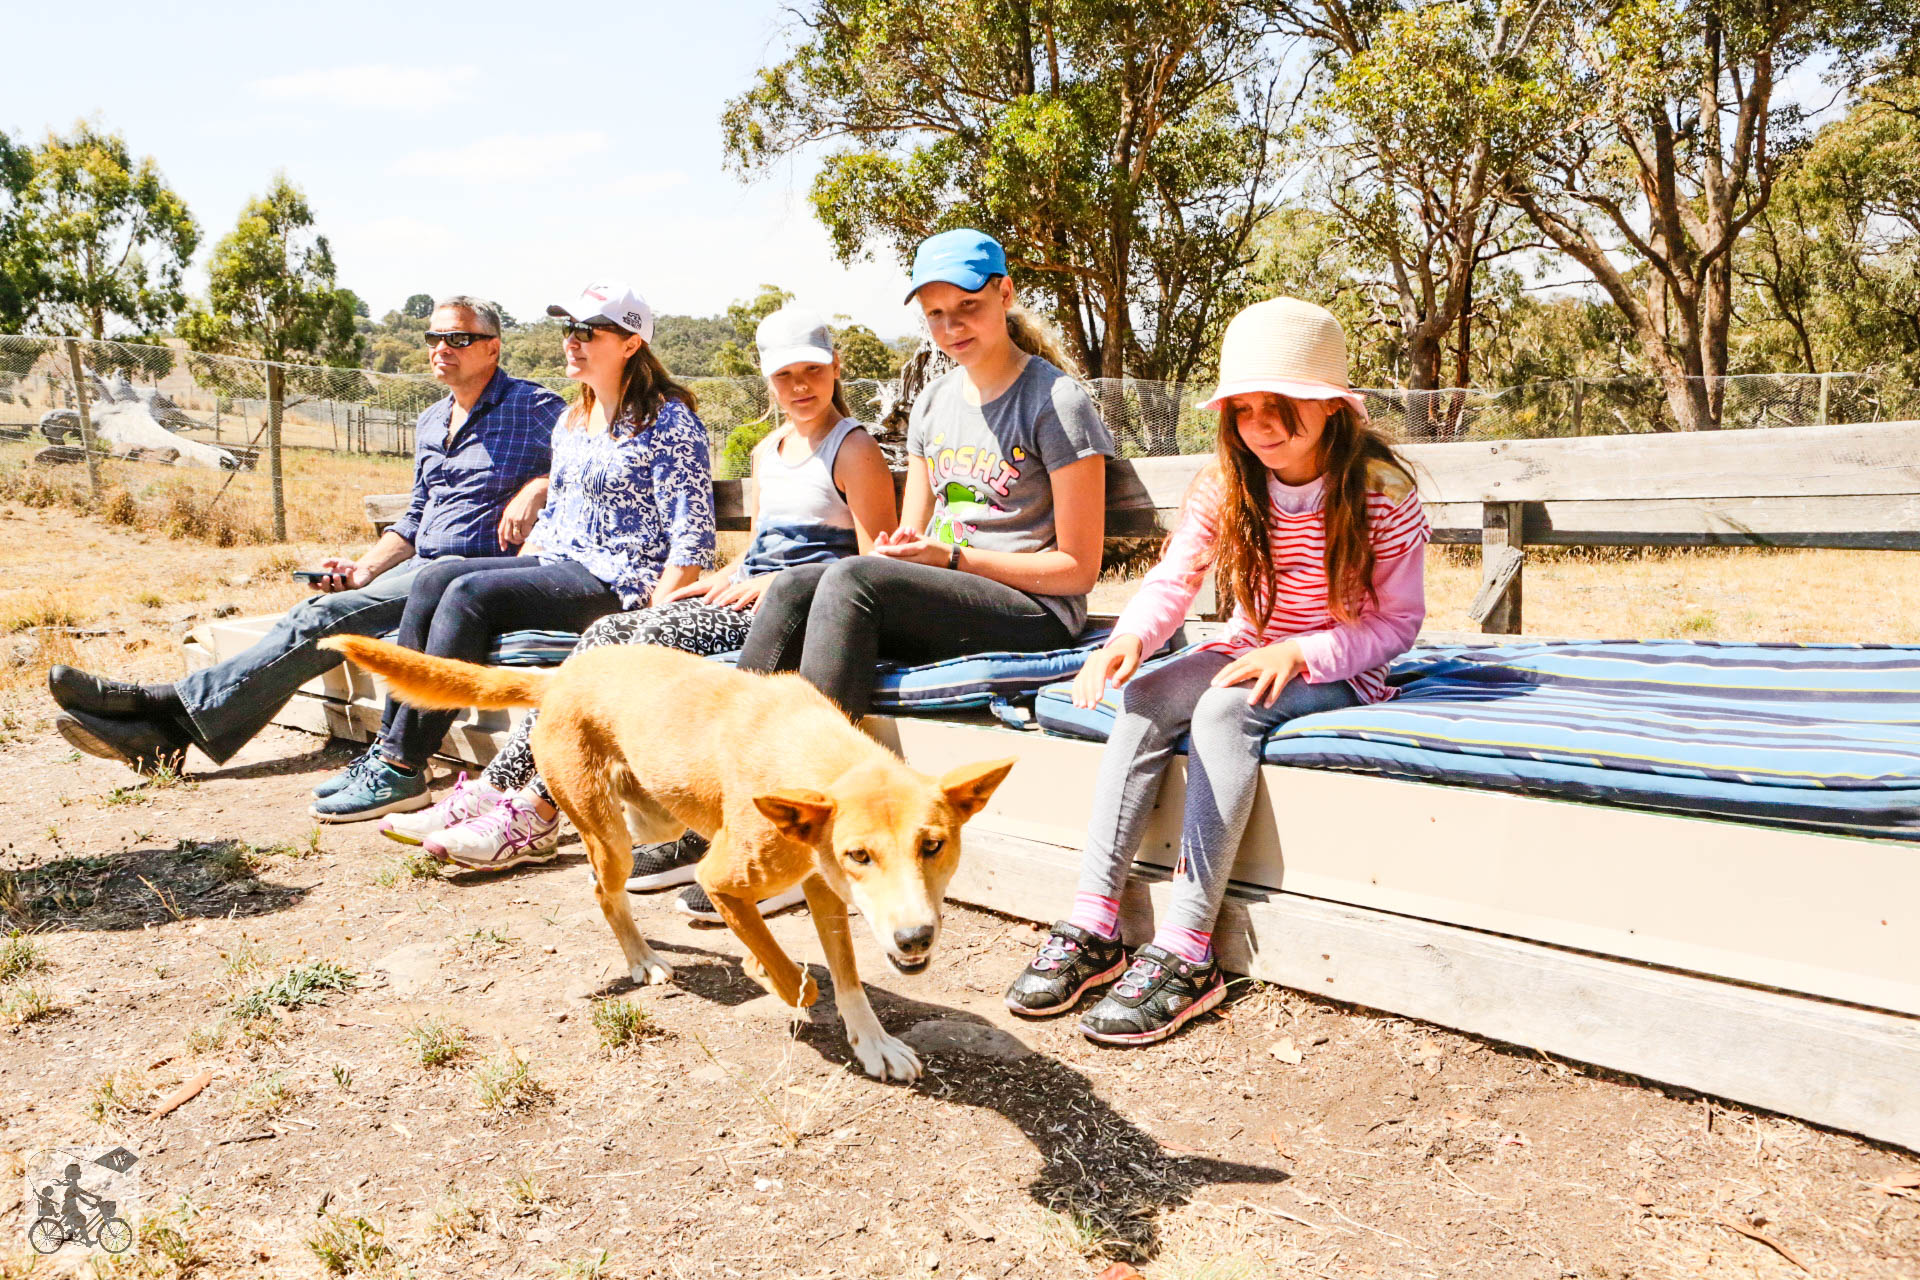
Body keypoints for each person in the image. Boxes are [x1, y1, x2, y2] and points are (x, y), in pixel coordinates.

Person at [1003, 297, 1431, 1046]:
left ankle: (1189, 946)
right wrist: (1130, 637)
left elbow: (1396, 624)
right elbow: (1175, 578)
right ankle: (1095, 920)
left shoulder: (1381, 494)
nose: (1261, 425)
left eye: (1283, 406)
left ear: (1331, 408)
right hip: (1250, 642)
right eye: (1244, 409)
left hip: (1337, 661)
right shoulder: (1226, 485)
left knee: (1224, 711)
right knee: (1148, 694)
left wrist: (1303, 653)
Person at [385, 305, 898, 883]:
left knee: (633, 639)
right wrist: (726, 576)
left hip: (798, 609)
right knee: (605, 635)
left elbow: (868, 568)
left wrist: (769, 583)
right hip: (745, 597)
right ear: (766, 378)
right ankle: (508, 789)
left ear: (835, 368)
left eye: (811, 371)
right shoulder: (767, 451)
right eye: (784, 375)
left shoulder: (853, 449)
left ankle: (531, 808)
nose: (799, 387)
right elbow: (759, 549)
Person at [48, 297, 561, 777]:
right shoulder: (431, 420)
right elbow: (415, 517)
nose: (441, 349)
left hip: (474, 576)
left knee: (318, 619)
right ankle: (166, 730)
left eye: (458, 339)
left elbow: (589, 467)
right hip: (418, 566)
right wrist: (362, 571)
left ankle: (163, 709)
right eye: (434, 338)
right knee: (313, 612)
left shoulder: (537, 408)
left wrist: (539, 484)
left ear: (493, 347)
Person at [310, 282, 717, 822]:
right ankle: (389, 753)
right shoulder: (575, 419)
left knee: (470, 594)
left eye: (588, 331)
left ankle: (403, 767)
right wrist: (524, 556)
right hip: (560, 565)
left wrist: (653, 623)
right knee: (438, 578)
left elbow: (692, 531)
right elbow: (558, 513)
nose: (572, 342)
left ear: (630, 343)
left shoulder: (668, 419)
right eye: (568, 329)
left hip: (621, 581)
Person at [736, 226, 1111, 710]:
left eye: (967, 307)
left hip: (1034, 611)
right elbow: (909, 535)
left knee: (852, 584)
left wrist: (952, 558)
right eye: (936, 315)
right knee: (794, 586)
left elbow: (1078, 571)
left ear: (1005, 293)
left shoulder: (1055, 401)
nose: (952, 328)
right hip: (949, 594)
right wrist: (905, 550)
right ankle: (741, 755)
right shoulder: (933, 401)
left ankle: (819, 770)